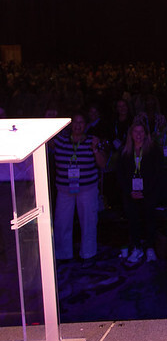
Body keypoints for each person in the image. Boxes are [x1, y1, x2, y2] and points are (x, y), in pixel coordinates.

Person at [52, 112, 109, 266]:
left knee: (89, 221)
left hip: (87, 188)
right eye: (75, 122)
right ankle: (63, 254)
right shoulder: (60, 140)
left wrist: (95, 149)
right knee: (62, 222)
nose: (78, 125)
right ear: (70, 124)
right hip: (64, 189)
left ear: (86, 124)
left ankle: (88, 253)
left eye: (81, 122)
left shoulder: (93, 140)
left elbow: (103, 164)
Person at [116, 121, 163, 264]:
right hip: (130, 193)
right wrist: (130, 191)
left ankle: (149, 247)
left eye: (141, 131)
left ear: (146, 134)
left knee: (149, 218)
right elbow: (120, 174)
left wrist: (145, 190)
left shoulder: (153, 149)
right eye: (135, 132)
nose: (138, 135)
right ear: (131, 134)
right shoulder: (124, 151)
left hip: (148, 192)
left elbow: (157, 172)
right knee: (133, 219)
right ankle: (136, 247)